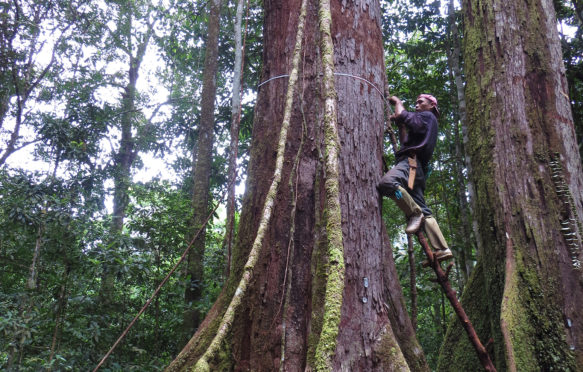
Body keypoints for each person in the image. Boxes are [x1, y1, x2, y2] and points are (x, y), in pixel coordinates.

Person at [378, 94, 453, 262]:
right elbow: (406, 140)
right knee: (424, 210)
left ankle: (414, 213)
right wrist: (401, 126)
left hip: (411, 163)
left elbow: (404, 115)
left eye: (421, 102)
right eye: (416, 102)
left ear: (432, 105)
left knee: (388, 184)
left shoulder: (427, 116)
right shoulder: (427, 123)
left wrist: (398, 103)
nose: (417, 105)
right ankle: (442, 248)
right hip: (416, 170)